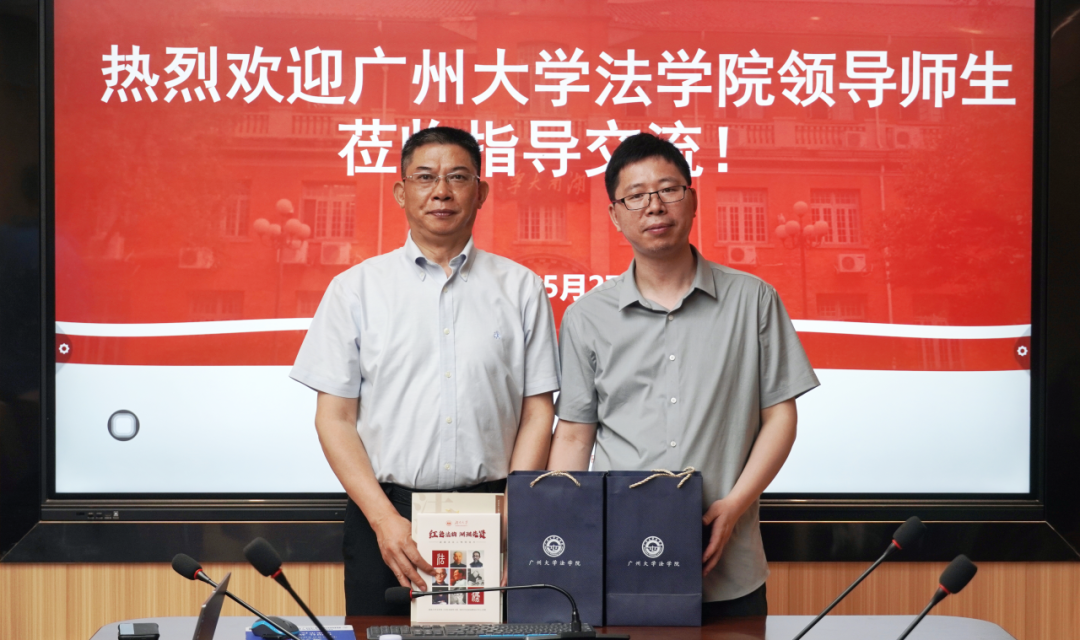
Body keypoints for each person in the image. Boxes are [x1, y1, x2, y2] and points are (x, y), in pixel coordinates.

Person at [291, 127, 560, 615]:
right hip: (387, 515)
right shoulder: (355, 290)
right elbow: (334, 418)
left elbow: (537, 411)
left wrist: (514, 510)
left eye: (458, 177)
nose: (442, 191)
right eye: (425, 177)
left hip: (494, 512)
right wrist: (382, 519)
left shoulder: (522, 288)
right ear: (401, 192)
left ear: (481, 192)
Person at [548, 133, 819, 617]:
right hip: (618, 564)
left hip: (728, 567)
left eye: (668, 189)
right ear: (615, 215)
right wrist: (559, 538)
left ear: (692, 200)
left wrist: (734, 505)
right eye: (636, 196)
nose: (654, 206)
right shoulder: (586, 317)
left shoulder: (753, 300)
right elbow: (573, 436)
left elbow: (780, 417)